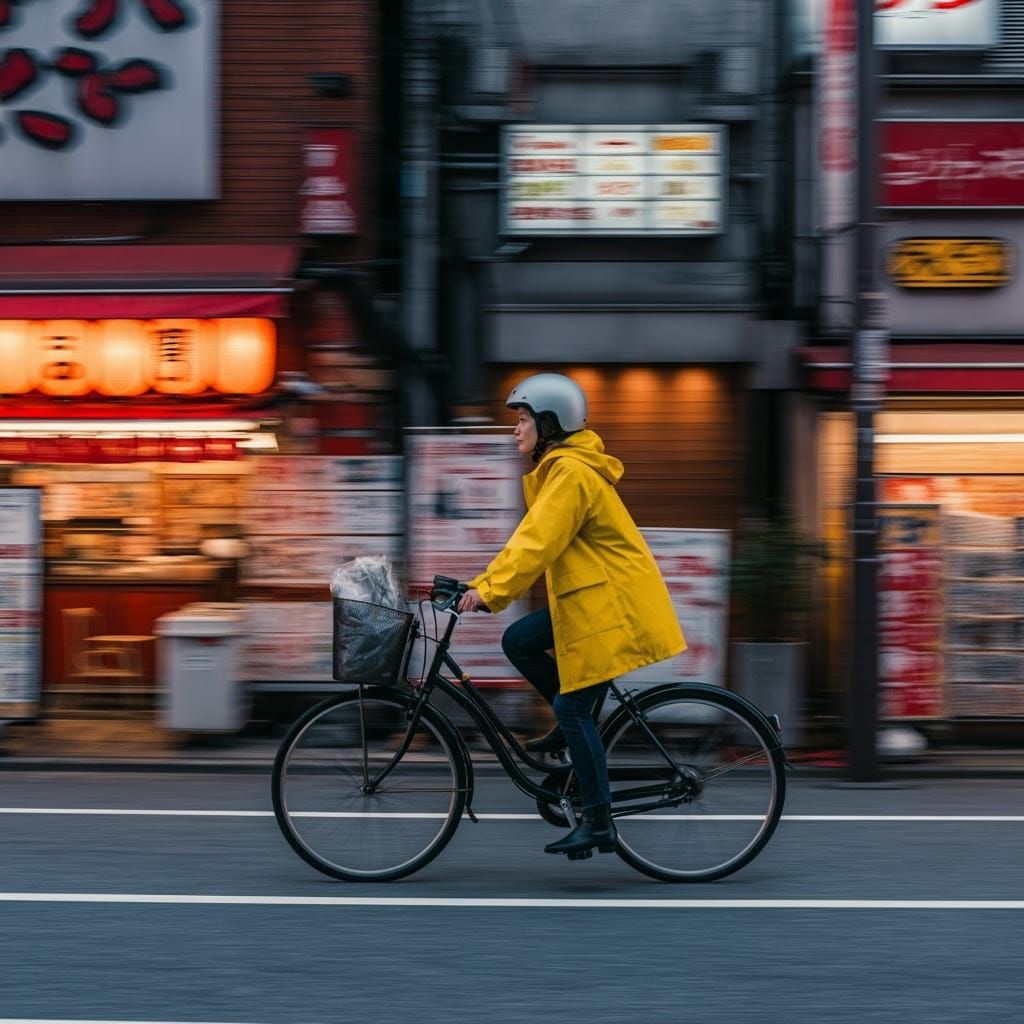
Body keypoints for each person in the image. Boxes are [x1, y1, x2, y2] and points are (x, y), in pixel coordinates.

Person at [457, 372, 686, 858]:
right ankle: (570, 734)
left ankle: (599, 821)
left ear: (549, 422)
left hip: (612, 610)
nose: (515, 429)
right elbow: (533, 538)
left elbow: (536, 542)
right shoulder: (561, 469)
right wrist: (481, 584)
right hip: (595, 605)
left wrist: (488, 590)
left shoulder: (571, 473)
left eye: (522, 419)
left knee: (573, 707)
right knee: (518, 640)